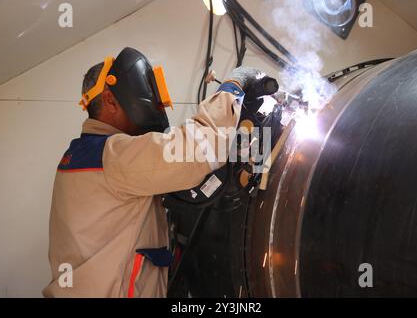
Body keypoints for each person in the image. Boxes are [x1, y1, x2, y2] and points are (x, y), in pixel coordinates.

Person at [43, 47, 260, 297]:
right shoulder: (113, 155)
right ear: (111, 100)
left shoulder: (79, 155)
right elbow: (198, 149)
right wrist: (233, 86)